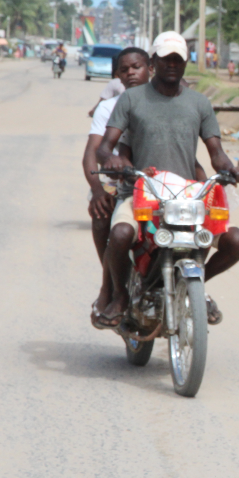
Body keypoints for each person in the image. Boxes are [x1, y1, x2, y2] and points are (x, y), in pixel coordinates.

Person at [95, 31, 239, 328]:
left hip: (186, 197)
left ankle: (194, 284)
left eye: (177, 59)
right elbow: (105, 147)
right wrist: (114, 160)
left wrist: (232, 170)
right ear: (153, 61)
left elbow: (216, 153)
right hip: (140, 193)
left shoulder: (199, 103)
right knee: (119, 235)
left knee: (238, 241)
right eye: (165, 59)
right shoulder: (131, 99)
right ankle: (119, 296)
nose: (172, 64)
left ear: (185, 64)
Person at [84, 47, 152, 329]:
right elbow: (93, 152)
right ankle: (111, 287)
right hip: (119, 183)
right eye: (124, 70)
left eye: (136, 67)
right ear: (118, 76)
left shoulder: (167, 98)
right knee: (103, 217)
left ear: (150, 68)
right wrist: (99, 190)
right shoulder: (108, 107)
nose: (131, 73)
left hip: (160, 185)